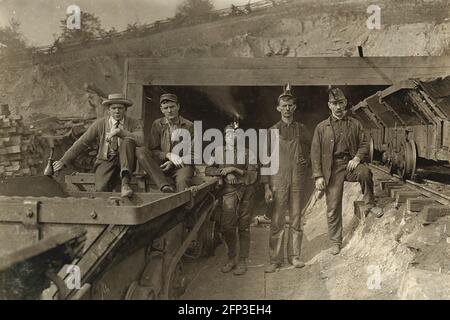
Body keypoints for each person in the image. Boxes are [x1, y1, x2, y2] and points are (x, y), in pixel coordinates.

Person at [53, 93, 173, 197]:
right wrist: (63, 161)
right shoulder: (100, 124)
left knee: (127, 141)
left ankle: (125, 185)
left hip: (126, 160)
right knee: (100, 190)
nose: (117, 111)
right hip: (106, 160)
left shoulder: (133, 123)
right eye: (114, 108)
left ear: (125, 109)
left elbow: (141, 140)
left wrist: (120, 132)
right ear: (108, 109)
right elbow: (81, 143)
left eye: (120, 108)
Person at [311, 87, 382, 256]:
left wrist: (357, 158)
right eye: (335, 104)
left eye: (341, 103)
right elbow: (314, 153)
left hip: (349, 165)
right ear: (329, 105)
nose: (338, 107)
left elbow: (365, 143)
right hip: (331, 170)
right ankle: (336, 241)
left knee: (365, 172)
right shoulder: (321, 128)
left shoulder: (355, 124)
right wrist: (318, 176)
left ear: (345, 103)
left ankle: (370, 204)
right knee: (333, 206)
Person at [263, 84, 312, 273]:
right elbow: (265, 161)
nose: (287, 108)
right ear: (278, 108)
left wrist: (306, 161)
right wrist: (266, 187)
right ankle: (275, 260)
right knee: (277, 219)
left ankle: (295, 257)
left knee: (296, 217)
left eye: (290, 105)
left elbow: (314, 148)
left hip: (297, 179)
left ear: (295, 107)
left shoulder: (302, 129)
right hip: (278, 180)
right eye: (284, 105)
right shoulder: (272, 131)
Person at [205, 124, 258, 276]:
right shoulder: (217, 151)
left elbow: (253, 175)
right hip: (228, 191)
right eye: (228, 134)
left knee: (243, 226)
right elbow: (208, 169)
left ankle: (242, 261)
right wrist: (224, 173)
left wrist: (234, 169)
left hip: (247, 191)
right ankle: (232, 258)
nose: (232, 137)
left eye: (235, 135)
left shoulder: (249, 152)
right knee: (227, 226)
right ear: (224, 136)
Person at [149, 93, 195, 192]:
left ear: (178, 106)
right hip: (162, 165)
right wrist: (168, 155)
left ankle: (184, 207)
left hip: (182, 165)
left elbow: (194, 154)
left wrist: (173, 162)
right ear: (161, 109)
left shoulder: (189, 126)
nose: (169, 111)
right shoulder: (157, 124)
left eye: (172, 107)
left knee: (183, 180)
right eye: (166, 108)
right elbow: (153, 150)